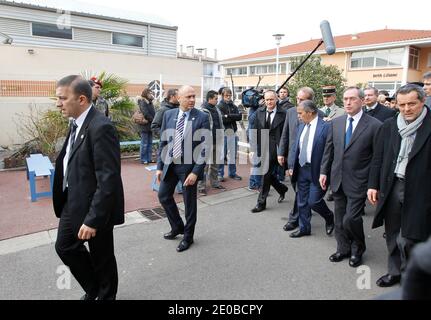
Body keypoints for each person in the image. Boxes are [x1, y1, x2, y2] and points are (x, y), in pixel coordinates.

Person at [53, 75, 124, 300]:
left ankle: (106, 295)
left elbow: (108, 179)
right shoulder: (76, 121)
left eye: (62, 99)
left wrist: (93, 219)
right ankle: (95, 289)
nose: (58, 104)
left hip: (96, 207)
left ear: (81, 99)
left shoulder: (101, 127)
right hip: (73, 201)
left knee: (102, 256)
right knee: (65, 247)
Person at [367, 84, 431, 287]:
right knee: (393, 233)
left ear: (422, 101)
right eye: (401, 105)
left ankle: (413, 275)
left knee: (412, 237)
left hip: (422, 190)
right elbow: (378, 158)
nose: (406, 109)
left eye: (412, 104)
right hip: (393, 185)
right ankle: (394, 272)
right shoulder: (389, 125)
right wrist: (373, 185)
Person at [320, 86, 381, 268]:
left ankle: (358, 249)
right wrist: (324, 171)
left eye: (352, 99)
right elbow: (329, 151)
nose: (348, 102)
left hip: (360, 181)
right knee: (339, 219)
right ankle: (343, 248)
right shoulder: (336, 123)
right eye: (345, 98)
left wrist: (373, 184)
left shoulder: (375, 125)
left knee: (351, 218)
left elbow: (377, 158)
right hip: (337, 179)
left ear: (362, 101)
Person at [156, 85, 210, 252]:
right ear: (178, 98)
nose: (192, 100)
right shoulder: (168, 114)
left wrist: (195, 172)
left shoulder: (201, 117)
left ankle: (188, 237)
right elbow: (163, 142)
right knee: (163, 196)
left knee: (189, 204)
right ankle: (178, 226)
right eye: (189, 97)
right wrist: (159, 166)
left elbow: (205, 147)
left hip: (188, 168)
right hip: (170, 164)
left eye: (194, 96)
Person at [278, 87, 323, 231]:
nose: (298, 102)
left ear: (311, 101)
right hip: (294, 158)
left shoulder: (320, 115)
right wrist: (281, 153)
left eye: (302, 100)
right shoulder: (291, 112)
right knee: (298, 190)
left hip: (312, 163)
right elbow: (285, 133)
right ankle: (303, 216)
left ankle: (295, 219)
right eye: (297, 99)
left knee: (302, 193)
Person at [287, 100, 334, 237]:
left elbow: (328, 152)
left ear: (310, 112)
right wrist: (291, 165)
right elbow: (296, 147)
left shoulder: (326, 127)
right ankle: (304, 228)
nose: (298, 116)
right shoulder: (301, 126)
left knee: (314, 201)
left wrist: (324, 171)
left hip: (317, 171)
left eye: (300, 113)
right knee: (302, 201)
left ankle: (329, 217)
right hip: (302, 169)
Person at [250, 90, 287, 213]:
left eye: (271, 99)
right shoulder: (259, 112)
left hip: (278, 148)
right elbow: (254, 132)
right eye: (267, 100)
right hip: (263, 147)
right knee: (267, 174)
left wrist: (284, 151)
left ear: (276, 99)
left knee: (267, 174)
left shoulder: (284, 113)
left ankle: (266, 199)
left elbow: (286, 134)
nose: (269, 102)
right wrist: (253, 149)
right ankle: (278, 191)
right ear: (264, 100)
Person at [319, 85, 345, 202]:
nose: (326, 98)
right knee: (322, 165)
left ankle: (332, 189)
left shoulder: (342, 111)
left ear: (334, 97)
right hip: (322, 143)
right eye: (324, 96)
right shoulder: (318, 111)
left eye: (328, 96)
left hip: (336, 143)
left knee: (333, 166)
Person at [197, 90, 226, 195]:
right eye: (215, 99)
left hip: (217, 140)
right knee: (203, 165)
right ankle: (201, 186)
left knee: (215, 164)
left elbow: (220, 124)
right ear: (210, 99)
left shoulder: (216, 109)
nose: (217, 101)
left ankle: (214, 182)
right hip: (206, 142)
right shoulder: (202, 110)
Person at [217, 87, 243, 181]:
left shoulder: (233, 105)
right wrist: (232, 117)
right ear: (222, 96)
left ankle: (232, 173)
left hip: (233, 132)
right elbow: (222, 119)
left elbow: (239, 117)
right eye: (226, 95)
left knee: (232, 154)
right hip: (224, 133)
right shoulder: (219, 106)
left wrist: (229, 115)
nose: (228, 97)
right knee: (222, 154)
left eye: (230, 95)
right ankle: (220, 174)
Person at [137, 88, 155, 164]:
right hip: (144, 126)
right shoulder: (143, 102)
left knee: (150, 143)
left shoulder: (150, 102)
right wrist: (154, 120)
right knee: (144, 143)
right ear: (146, 93)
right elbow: (145, 113)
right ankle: (143, 159)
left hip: (150, 125)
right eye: (149, 93)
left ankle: (149, 158)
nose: (151, 94)